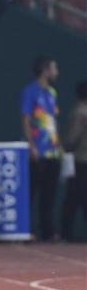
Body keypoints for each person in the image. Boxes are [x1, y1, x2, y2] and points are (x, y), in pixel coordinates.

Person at [21, 56, 63, 241]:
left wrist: (59, 144)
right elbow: (25, 119)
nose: (57, 72)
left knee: (49, 194)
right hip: (37, 150)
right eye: (54, 68)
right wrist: (31, 146)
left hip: (53, 150)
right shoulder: (30, 91)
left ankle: (47, 231)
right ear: (45, 70)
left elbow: (53, 120)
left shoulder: (52, 92)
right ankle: (26, 229)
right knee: (31, 192)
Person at [61, 80, 87, 241]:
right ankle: (67, 233)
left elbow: (71, 139)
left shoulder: (80, 111)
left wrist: (66, 146)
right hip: (81, 161)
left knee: (74, 198)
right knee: (75, 198)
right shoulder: (81, 112)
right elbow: (73, 137)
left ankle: (67, 232)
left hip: (81, 159)